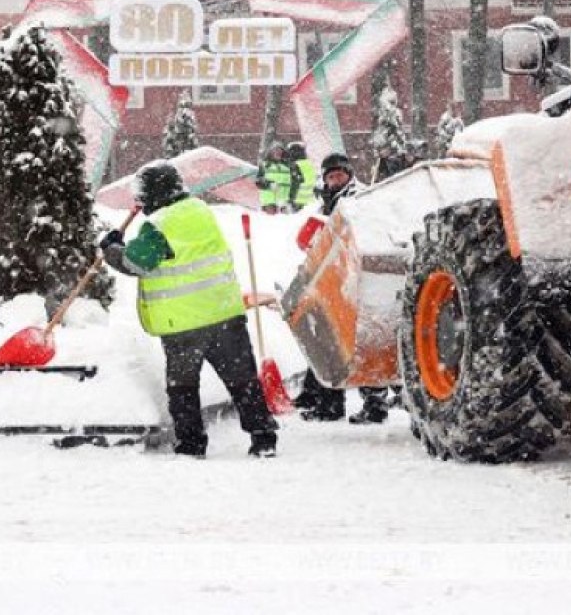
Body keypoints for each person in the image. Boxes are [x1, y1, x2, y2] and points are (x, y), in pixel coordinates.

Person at [99, 160, 279, 458]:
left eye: (143, 194)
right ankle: (263, 437)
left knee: (182, 388)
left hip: (184, 325)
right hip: (224, 315)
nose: (140, 201)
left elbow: (137, 262)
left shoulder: (159, 224)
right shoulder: (200, 210)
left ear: (156, 192)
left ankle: (191, 444)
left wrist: (112, 249)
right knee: (242, 380)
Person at [293, 152, 394, 425]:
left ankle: (372, 404)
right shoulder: (329, 203)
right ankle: (322, 397)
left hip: (356, 279)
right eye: (331, 176)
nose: (336, 180)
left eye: (340, 175)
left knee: (357, 339)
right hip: (334, 280)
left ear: (349, 175)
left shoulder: (357, 201)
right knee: (326, 336)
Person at [256, 141, 299, 214]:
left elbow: (295, 183)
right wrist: (269, 184)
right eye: (275, 150)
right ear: (271, 152)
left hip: (284, 202)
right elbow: (258, 181)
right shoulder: (265, 165)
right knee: (270, 223)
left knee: (285, 223)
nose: (278, 152)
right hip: (269, 202)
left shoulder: (288, 166)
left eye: (280, 150)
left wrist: (292, 198)